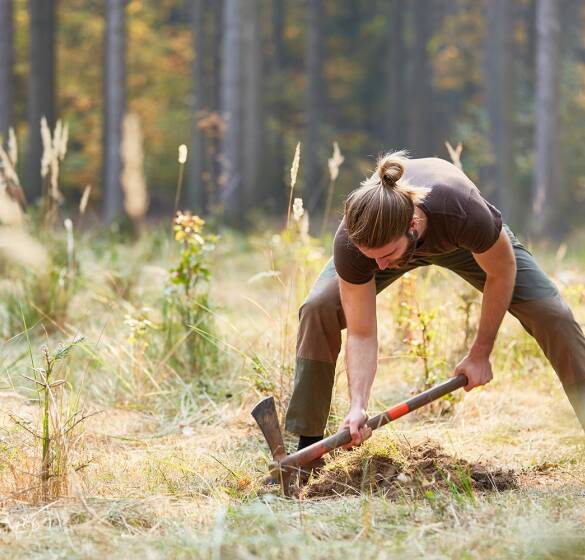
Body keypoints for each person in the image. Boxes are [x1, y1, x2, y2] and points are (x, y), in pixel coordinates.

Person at [284, 150, 585, 457]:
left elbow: (502, 272)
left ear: (413, 225)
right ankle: (308, 450)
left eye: (385, 255)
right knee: (318, 307)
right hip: (393, 241)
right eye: (371, 257)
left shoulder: (462, 210)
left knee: (553, 315)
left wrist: (480, 352)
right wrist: (358, 405)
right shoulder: (356, 244)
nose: (380, 267)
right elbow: (362, 332)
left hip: (459, 238)